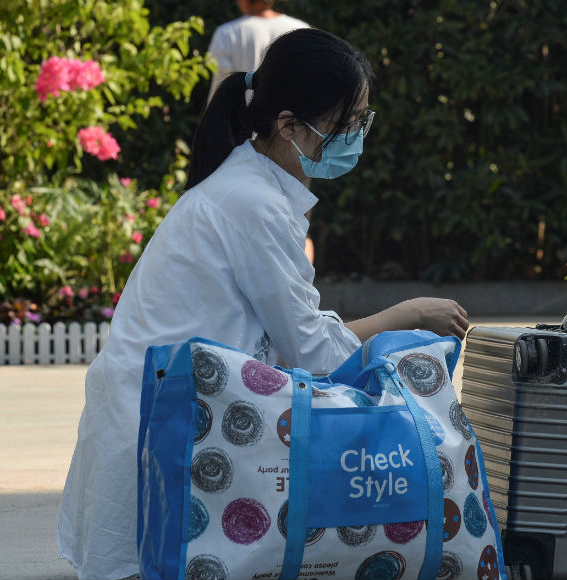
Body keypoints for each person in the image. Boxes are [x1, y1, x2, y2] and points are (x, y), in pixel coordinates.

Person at [57, 28, 470, 580]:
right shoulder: (253, 203)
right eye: (348, 124)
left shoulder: (250, 186)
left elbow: (292, 335)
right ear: (289, 127)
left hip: (167, 420)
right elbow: (313, 351)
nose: (357, 137)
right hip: (163, 434)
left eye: (363, 123)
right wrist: (410, 314)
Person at [206, 0, 309, 102]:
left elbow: (219, 87)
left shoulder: (226, 33)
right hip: (291, 115)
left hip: (242, 116)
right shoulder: (302, 29)